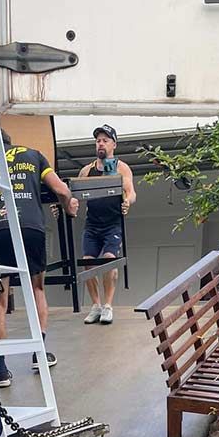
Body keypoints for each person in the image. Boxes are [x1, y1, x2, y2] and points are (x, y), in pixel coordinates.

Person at [0, 130, 78, 387]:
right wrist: (69, 206)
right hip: (31, 227)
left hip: (0, 228)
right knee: (37, 288)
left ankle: (0, 370)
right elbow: (61, 190)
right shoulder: (34, 155)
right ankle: (39, 355)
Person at [78, 124, 136, 326]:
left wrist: (127, 202)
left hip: (112, 224)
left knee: (109, 260)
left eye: (105, 140)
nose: (101, 144)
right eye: (98, 141)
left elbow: (131, 192)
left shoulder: (121, 168)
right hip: (92, 224)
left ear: (114, 145)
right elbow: (74, 194)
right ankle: (96, 305)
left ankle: (108, 305)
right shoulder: (87, 170)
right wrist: (64, 204)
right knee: (87, 262)